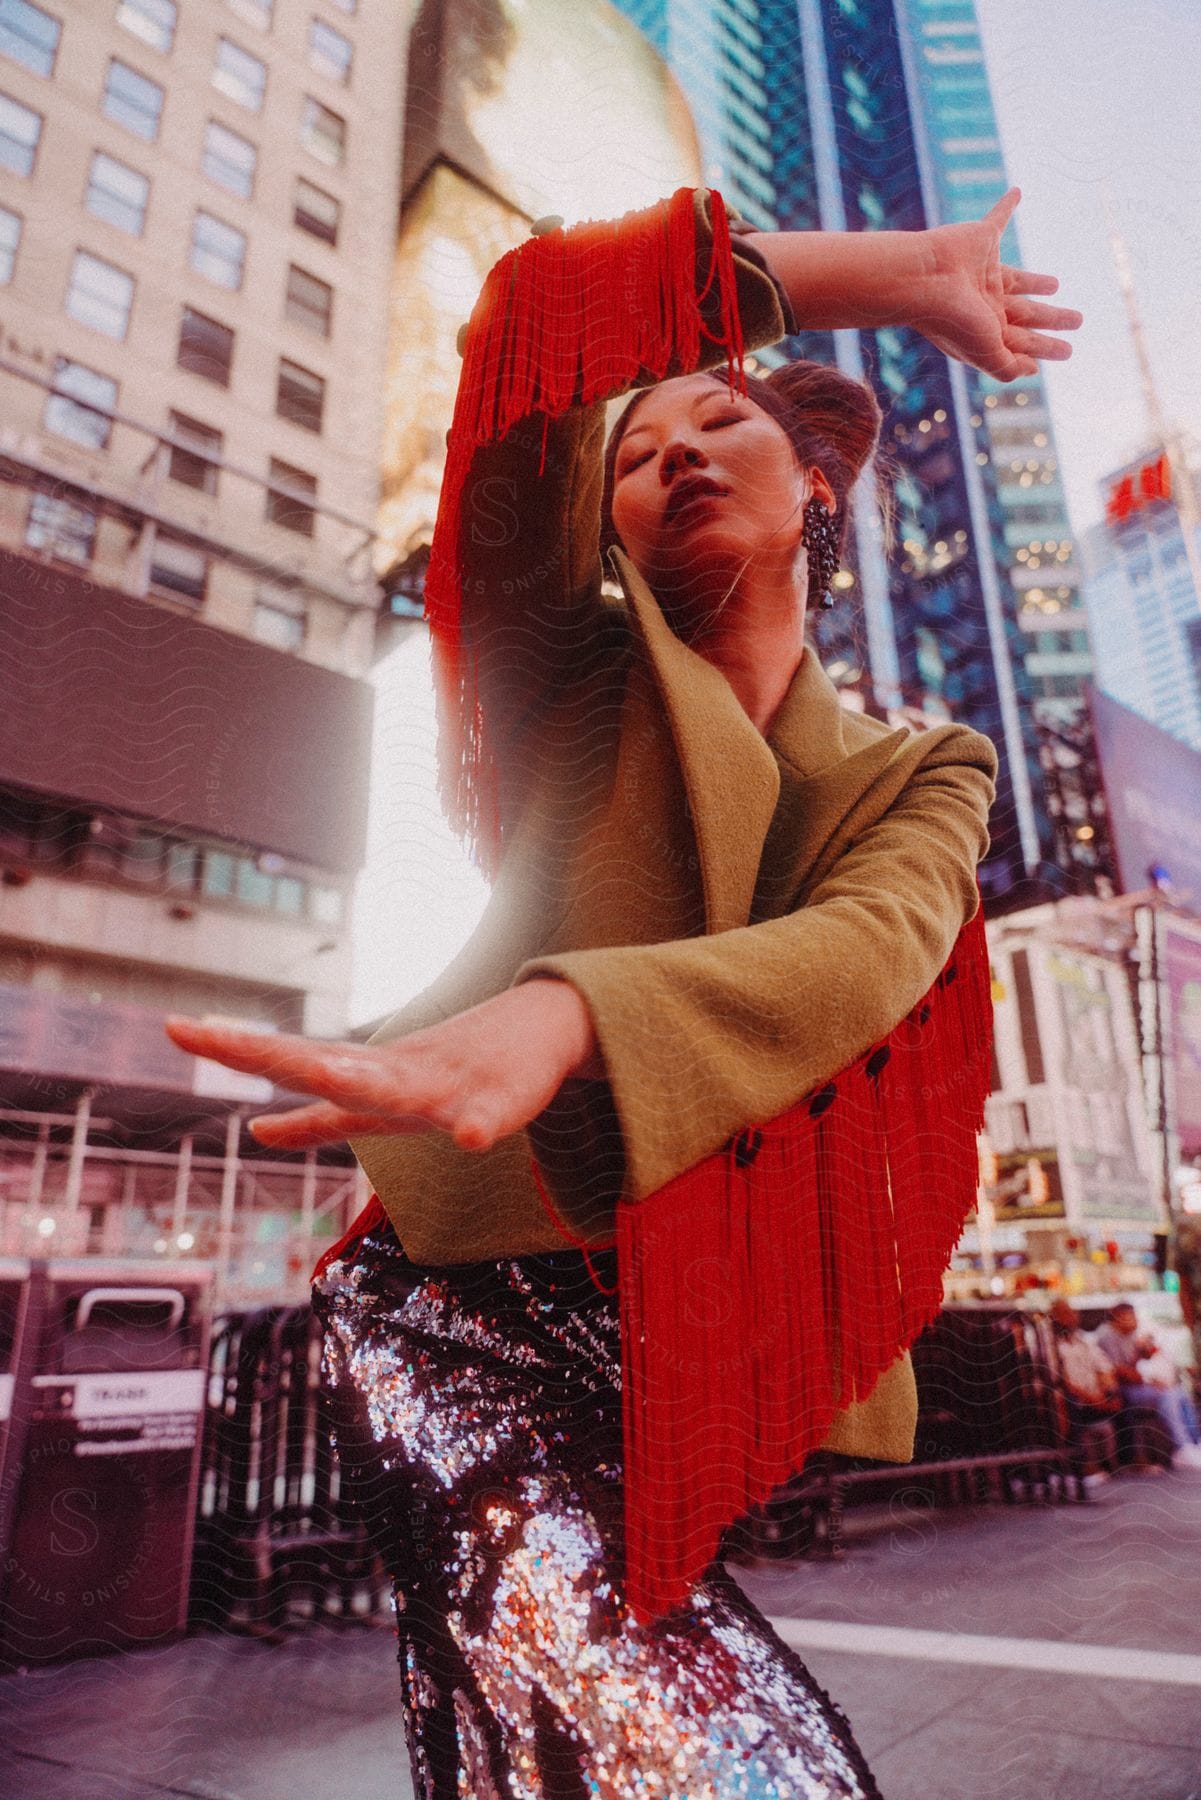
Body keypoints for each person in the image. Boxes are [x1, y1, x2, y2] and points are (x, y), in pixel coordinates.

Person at [165, 184, 1078, 1796]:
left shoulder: (924, 768)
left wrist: (569, 1014)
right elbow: (527, 324)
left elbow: (872, 951)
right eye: (633, 452)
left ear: (814, 491)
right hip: (460, 1315)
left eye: (715, 416)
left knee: (519, 1752)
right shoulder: (557, 664)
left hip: (668, 1331)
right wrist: (888, 278)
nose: (667, 452)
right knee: (738, 1762)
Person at [1094, 1300, 1201, 1468]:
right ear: (1118, 1318)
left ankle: (1195, 1443)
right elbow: (1119, 1373)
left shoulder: (1133, 1335)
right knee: (1167, 1395)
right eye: (1131, 1317)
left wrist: (1144, 1353)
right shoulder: (1106, 1336)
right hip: (1122, 1390)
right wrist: (1147, 1380)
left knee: (1179, 1392)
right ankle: (1181, 1447)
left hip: (1138, 1384)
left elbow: (1141, 1362)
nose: (1135, 1320)